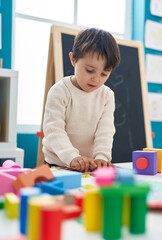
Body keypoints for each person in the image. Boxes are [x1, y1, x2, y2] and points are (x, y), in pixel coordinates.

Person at [42, 28, 120, 172]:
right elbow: (54, 130)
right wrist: (72, 157)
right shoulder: (60, 91)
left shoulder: (107, 95)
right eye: (90, 70)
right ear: (73, 59)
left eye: (104, 74)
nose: (96, 79)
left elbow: (106, 130)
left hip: (88, 164)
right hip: (58, 163)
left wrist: (102, 156)